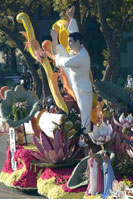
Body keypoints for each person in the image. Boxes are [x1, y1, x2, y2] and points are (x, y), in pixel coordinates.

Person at [50, 6, 93, 146]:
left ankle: (84, 137)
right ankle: (84, 135)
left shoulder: (81, 56)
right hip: (75, 81)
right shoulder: (76, 48)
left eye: (71, 42)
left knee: (85, 111)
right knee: (61, 50)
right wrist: (70, 18)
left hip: (82, 88)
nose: (69, 44)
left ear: (78, 43)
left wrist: (57, 56)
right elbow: (74, 32)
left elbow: (66, 62)